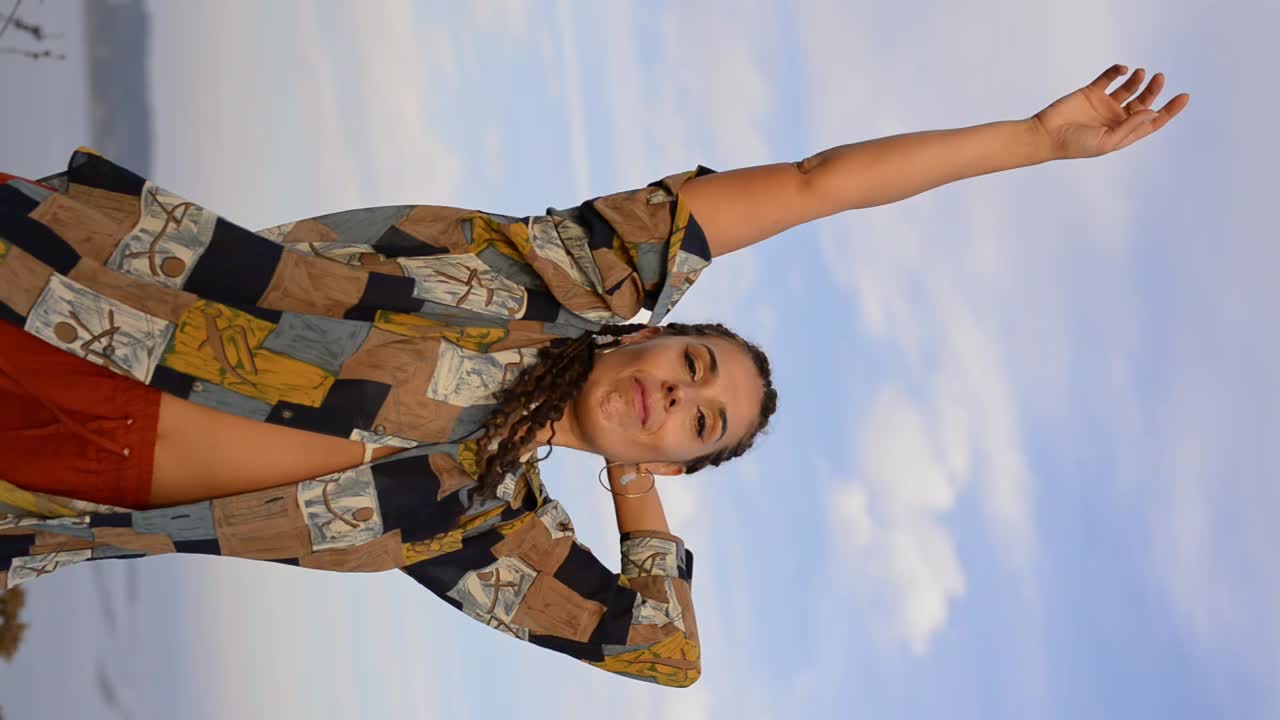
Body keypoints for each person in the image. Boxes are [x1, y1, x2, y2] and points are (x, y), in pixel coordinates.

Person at [0, 64, 1186, 687]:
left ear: (666, 460)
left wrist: (628, 495)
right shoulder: (544, 286)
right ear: (648, 331)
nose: (681, 396)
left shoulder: (482, 527)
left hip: (46, 489)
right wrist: (1032, 142)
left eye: (700, 426)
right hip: (59, 299)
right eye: (694, 363)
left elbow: (661, 653)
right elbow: (817, 183)